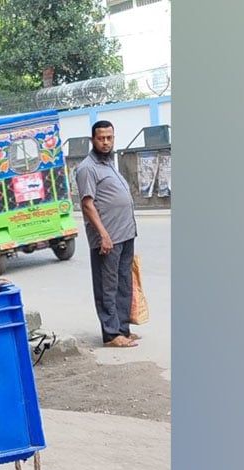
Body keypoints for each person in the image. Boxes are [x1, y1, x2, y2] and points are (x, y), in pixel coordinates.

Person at [74, 120, 140, 348]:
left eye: (109, 138)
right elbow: (87, 205)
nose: (105, 142)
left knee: (124, 283)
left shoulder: (110, 163)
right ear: (92, 139)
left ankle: (123, 329)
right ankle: (111, 334)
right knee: (107, 286)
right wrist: (103, 234)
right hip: (107, 238)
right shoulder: (87, 168)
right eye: (101, 138)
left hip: (125, 234)